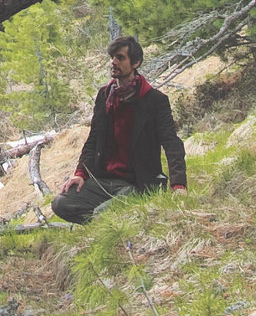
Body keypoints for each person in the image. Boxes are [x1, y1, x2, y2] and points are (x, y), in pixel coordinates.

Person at [52, 34, 186, 224]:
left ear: (135, 63)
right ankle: (118, 218)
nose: (113, 62)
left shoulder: (155, 100)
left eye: (120, 58)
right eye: (112, 57)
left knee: (102, 214)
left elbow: (172, 143)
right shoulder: (104, 96)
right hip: (103, 180)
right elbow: (93, 139)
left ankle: (113, 222)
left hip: (137, 183)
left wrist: (178, 184)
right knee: (60, 203)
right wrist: (80, 174)